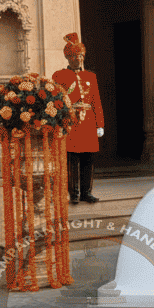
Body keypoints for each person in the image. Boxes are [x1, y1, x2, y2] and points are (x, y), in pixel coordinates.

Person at [53, 33, 104, 204]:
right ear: (68, 57)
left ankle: (86, 192)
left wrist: (100, 124)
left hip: (89, 123)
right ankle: (73, 194)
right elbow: (57, 101)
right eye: (74, 56)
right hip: (71, 121)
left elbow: (96, 101)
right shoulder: (59, 76)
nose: (78, 59)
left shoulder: (91, 76)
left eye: (80, 55)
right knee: (72, 159)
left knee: (88, 159)